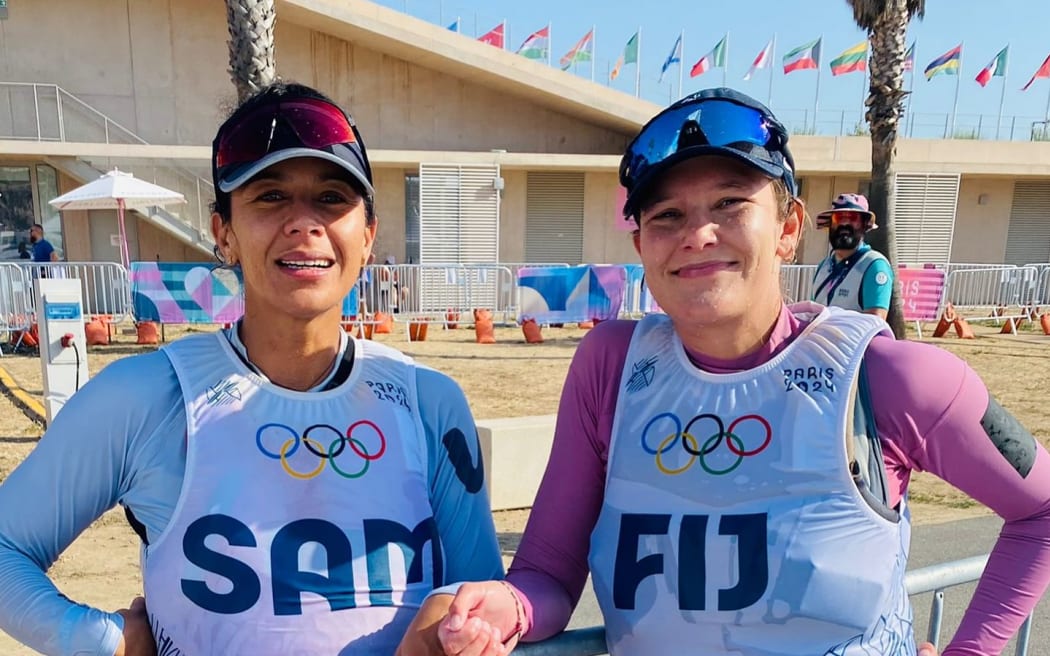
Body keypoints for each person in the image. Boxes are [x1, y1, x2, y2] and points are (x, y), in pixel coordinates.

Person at [404, 88, 1050, 656]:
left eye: (731, 203)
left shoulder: (893, 376)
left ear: (789, 227)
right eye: (667, 216)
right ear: (641, 247)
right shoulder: (610, 364)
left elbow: (1041, 512)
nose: (699, 234)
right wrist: (502, 610)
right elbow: (547, 571)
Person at [0, 81, 502, 656]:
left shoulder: (431, 403)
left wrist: (461, 626)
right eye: (269, 197)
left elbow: (482, 597)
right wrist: (98, 640)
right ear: (224, 234)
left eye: (333, 198)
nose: (303, 222)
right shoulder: (145, 397)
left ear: (367, 236)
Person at [811, 193, 893, 318]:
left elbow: (874, 324)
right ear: (830, 224)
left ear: (865, 224)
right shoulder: (824, 266)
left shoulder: (874, 265)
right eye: (838, 218)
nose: (844, 224)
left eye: (853, 218)